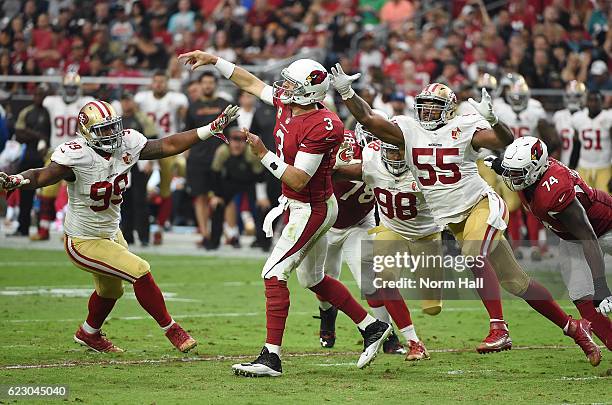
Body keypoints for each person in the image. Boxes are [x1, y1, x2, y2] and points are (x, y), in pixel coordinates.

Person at [331, 65, 602, 366]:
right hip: (452, 219)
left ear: (448, 110)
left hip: (480, 204)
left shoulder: (462, 128)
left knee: (473, 253)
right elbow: (368, 118)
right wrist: (346, 92)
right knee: (517, 283)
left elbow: (503, 141)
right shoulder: (408, 132)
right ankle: (573, 328)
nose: (428, 113)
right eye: (424, 106)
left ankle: (499, 328)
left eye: (435, 107)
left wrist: (494, 120)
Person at [179, 50, 392, 377]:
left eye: (293, 84)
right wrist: (214, 60)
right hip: (303, 204)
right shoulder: (292, 102)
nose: (284, 88)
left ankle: (271, 357)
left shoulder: (324, 125)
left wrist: (263, 154)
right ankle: (372, 328)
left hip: (312, 207)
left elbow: (298, 177)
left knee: (272, 273)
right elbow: (250, 82)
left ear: (309, 91)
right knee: (313, 278)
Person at [0, 99, 240, 353]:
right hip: (84, 240)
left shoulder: (128, 142)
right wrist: (17, 179)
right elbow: (41, 175)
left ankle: (88, 333)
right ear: (86, 132)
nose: (111, 134)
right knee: (140, 269)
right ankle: (172, 329)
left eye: (113, 127)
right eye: (103, 130)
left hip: (112, 232)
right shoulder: (76, 154)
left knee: (110, 290)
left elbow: (168, 144)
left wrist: (210, 129)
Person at [325, 121, 442, 361]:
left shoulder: (421, 165)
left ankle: (390, 337)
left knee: (376, 284)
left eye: (397, 147)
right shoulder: (356, 154)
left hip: (389, 227)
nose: (392, 154)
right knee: (319, 280)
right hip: (328, 222)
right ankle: (327, 319)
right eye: (386, 147)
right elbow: (323, 170)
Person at [489, 136, 611, 350]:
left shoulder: (555, 190)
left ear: (534, 170)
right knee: (581, 296)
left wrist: (601, 286)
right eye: (511, 171)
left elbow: (588, 236)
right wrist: (500, 165)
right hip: (572, 238)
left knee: (596, 295)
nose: (512, 178)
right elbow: (514, 169)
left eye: (517, 172)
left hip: (604, 227)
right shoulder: (531, 173)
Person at [495, 77, 560, 261]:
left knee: (534, 207)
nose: (516, 100)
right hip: (509, 165)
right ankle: (516, 247)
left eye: (520, 96)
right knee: (513, 208)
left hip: (531, 167)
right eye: (513, 97)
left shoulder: (535, 109)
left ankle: (537, 246)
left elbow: (549, 136)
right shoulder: (501, 109)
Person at [33, 72, 94, 241]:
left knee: (74, 193)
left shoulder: (85, 104)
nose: (71, 91)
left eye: (74, 88)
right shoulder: (52, 103)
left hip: (78, 154)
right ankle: (43, 229)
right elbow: (45, 124)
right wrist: (42, 141)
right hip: (55, 152)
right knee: (46, 191)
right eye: (68, 87)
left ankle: (70, 232)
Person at [134, 71, 189, 245]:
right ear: (151, 82)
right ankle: (138, 226)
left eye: (162, 81)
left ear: (167, 83)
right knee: (139, 189)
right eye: (156, 81)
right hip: (144, 147)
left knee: (166, 191)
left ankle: (159, 227)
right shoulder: (141, 99)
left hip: (168, 147)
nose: (158, 84)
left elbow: (184, 118)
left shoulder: (176, 99)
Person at [184, 71, 230, 248]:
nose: (208, 85)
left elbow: (233, 132)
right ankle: (204, 234)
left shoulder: (224, 105)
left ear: (215, 84)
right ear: (200, 85)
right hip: (197, 158)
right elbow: (186, 134)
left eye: (211, 82)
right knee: (200, 197)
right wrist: (186, 154)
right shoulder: (193, 107)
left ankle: (228, 232)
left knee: (225, 197)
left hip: (220, 159)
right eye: (205, 82)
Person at [207, 126, 264, 249]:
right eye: (234, 140)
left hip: (250, 182)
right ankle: (214, 242)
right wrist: (216, 195)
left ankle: (262, 241)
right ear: (229, 141)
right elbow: (214, 174)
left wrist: (262, 197)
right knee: (217, 205)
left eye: (241, 141)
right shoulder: (222, 152)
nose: (237, 145)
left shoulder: (251, 153)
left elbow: (260, 176)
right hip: (230, 182)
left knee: (260, 207)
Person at [118, 92, 158, 246]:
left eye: (128, 100)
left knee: (140, 201)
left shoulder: (142, 119)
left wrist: (150, 162)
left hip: (139, 164)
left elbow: (152, 139)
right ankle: (127, 235)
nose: (126, 104)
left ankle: (144, 236)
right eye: (124, 100)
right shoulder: (118, 120)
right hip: (123, 165)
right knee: (124, 201)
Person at [12, 84, 50, 236]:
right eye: (37, 94)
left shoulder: (49, 113)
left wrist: (31, 134)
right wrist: (38, 136)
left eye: (43, 95)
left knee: (43, 195)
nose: (39, 98)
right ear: (33, 96)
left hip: (44, 157)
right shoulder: (27, 112)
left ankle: (43, 228)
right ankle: (23, 227)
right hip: (28, 156)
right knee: (25, 193)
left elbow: (48, 136)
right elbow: (19, 134)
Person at [570, 91, 611, 192]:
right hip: (583, 166)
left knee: (607, 202)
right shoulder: (578, 118)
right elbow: (576, 146)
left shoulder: (608, 118)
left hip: (604, 167)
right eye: (590, 100)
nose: (593, 103)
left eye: (596, 100)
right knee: (582, 201)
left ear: (602, 102)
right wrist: (571, 167)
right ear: (586, 102)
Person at [553, 81, 586, 168]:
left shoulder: (588, 115)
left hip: (584, 166)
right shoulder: (558, 116)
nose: (572, 99)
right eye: (569, 96)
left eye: (577, 96)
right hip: (564, 165)